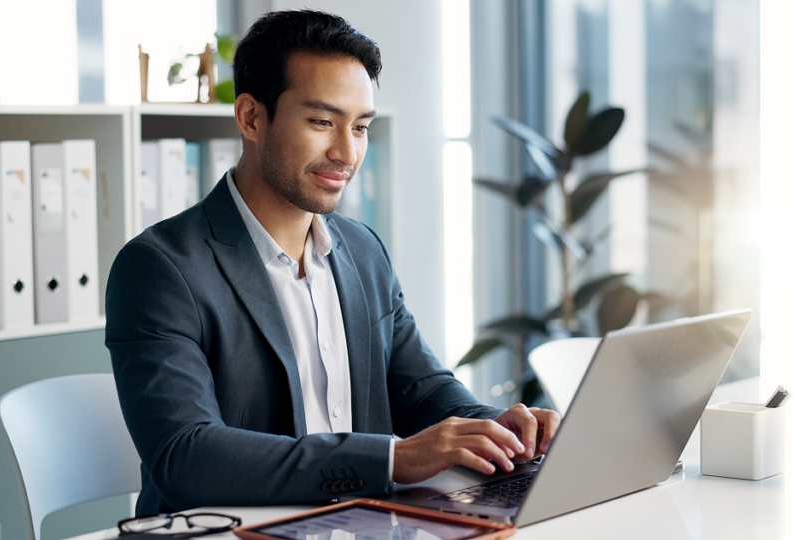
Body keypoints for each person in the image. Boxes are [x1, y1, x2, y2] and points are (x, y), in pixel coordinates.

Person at [105, 9, 559, 516]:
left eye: (360, 127)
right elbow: (187, 458)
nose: (347, 152)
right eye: (322, 122)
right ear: (251, 117)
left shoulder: (363, 250)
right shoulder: (159, 268)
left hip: (359, 522)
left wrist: (502, 427)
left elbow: (421, 389)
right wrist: (392, 459)